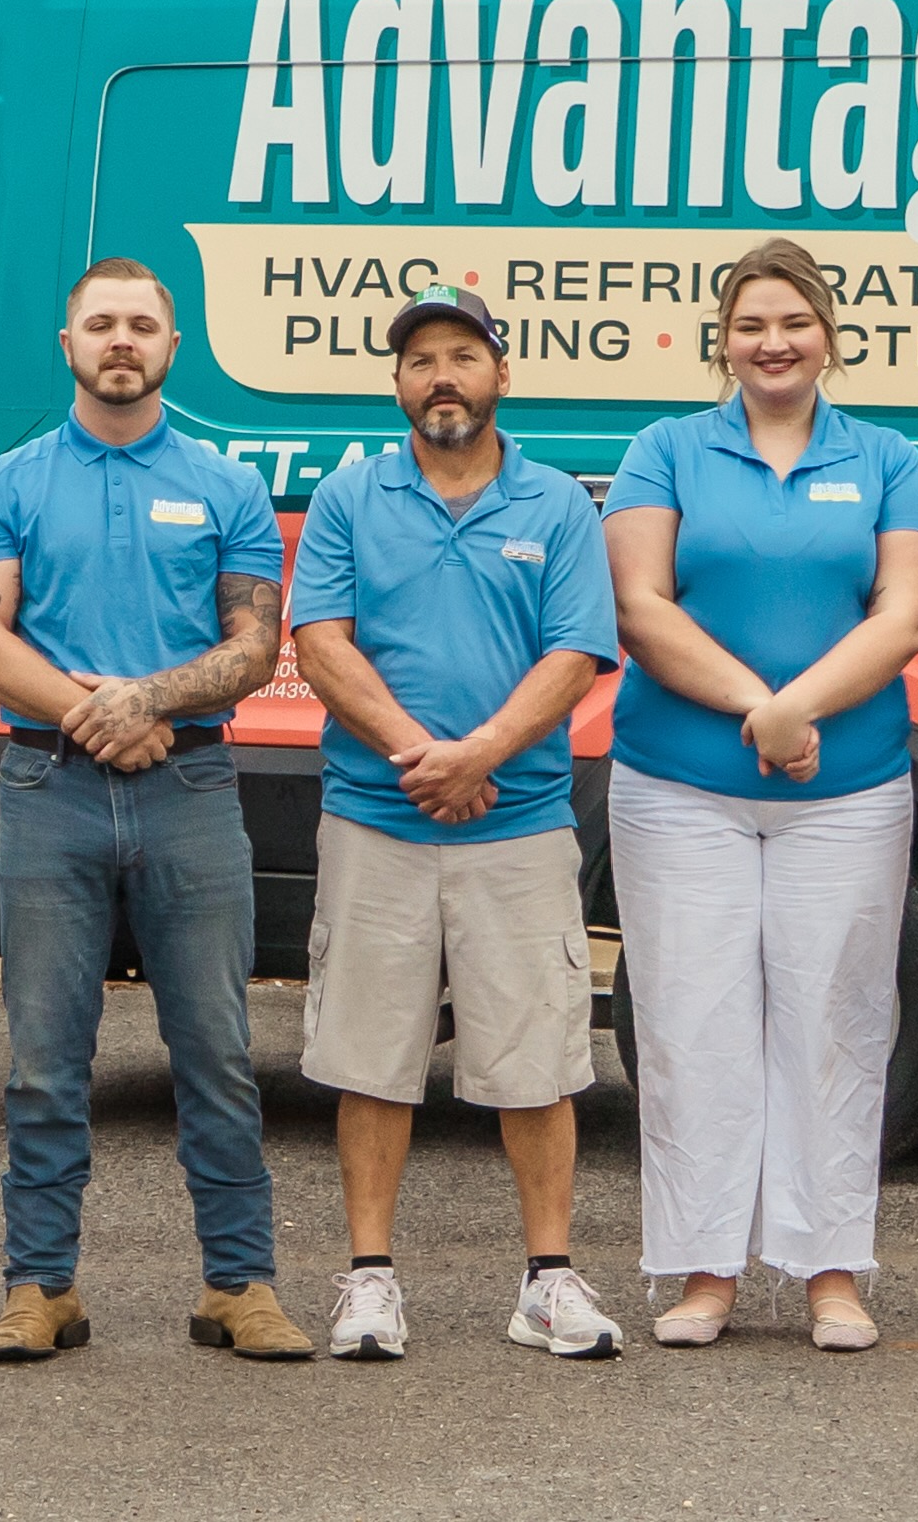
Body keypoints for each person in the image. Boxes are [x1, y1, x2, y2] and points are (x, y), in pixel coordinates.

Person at [0, 260, 305, 1365]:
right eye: (99, 323)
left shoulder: (228, 483)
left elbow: (254, 644)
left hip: (189, 785)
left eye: (140, 325)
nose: (120, 340)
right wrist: (103, 713)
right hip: (48, 786)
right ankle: (39, 1285)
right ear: (67, 344)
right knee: (46, 1061)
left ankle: (238, 1283)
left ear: (171, 345)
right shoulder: (6, 482)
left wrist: (149, 700)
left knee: (217, 1052)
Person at [600, 239, 918, 1353]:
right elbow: (640, 606)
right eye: (750, 324)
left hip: (846, 792)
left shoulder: (888, 458)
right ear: (723, 340)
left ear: (828, 335)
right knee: (691, 1021)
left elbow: (902, 616)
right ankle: (703, 1270)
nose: (772, 341)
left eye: (791, 321)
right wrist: (766, 709)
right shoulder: (664, 451)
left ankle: (828, 1268)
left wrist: (798, 713)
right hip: (677, 787)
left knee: (839, 1022)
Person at [286, 284, 626, 1364]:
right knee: (370, 1056)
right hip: (376, 821)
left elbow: (573, 654)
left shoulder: (558, 505)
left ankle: (548, 1282)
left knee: (537, 1060)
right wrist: (417, 758)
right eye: (421, 358)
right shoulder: (352, 497)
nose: (442, 375)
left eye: (462, 356)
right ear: (396, 383)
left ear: (500, 375)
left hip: (515, 823)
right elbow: (322, 641)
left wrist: (476, 756)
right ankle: (371, 1280)